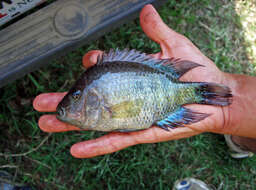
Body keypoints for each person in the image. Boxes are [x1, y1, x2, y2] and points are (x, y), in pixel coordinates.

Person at [33, 4, 256, 159]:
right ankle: (239, 139)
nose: (71, 102)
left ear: (92, 98)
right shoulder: (96, 103)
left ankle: (239, 138)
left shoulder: (101, 99)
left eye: (77, 96)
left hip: (167, 91)